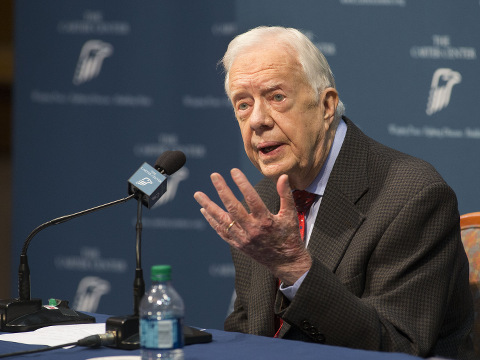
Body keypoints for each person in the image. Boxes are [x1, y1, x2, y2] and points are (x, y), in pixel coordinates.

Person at [193, 26, 474, 359]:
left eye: (276, 97)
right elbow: (248, 330)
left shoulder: (414, 196)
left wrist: (296, 270)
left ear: (326, 105)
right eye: (243, 105)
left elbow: (399, 347)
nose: (256, 120)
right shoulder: (265, 197)